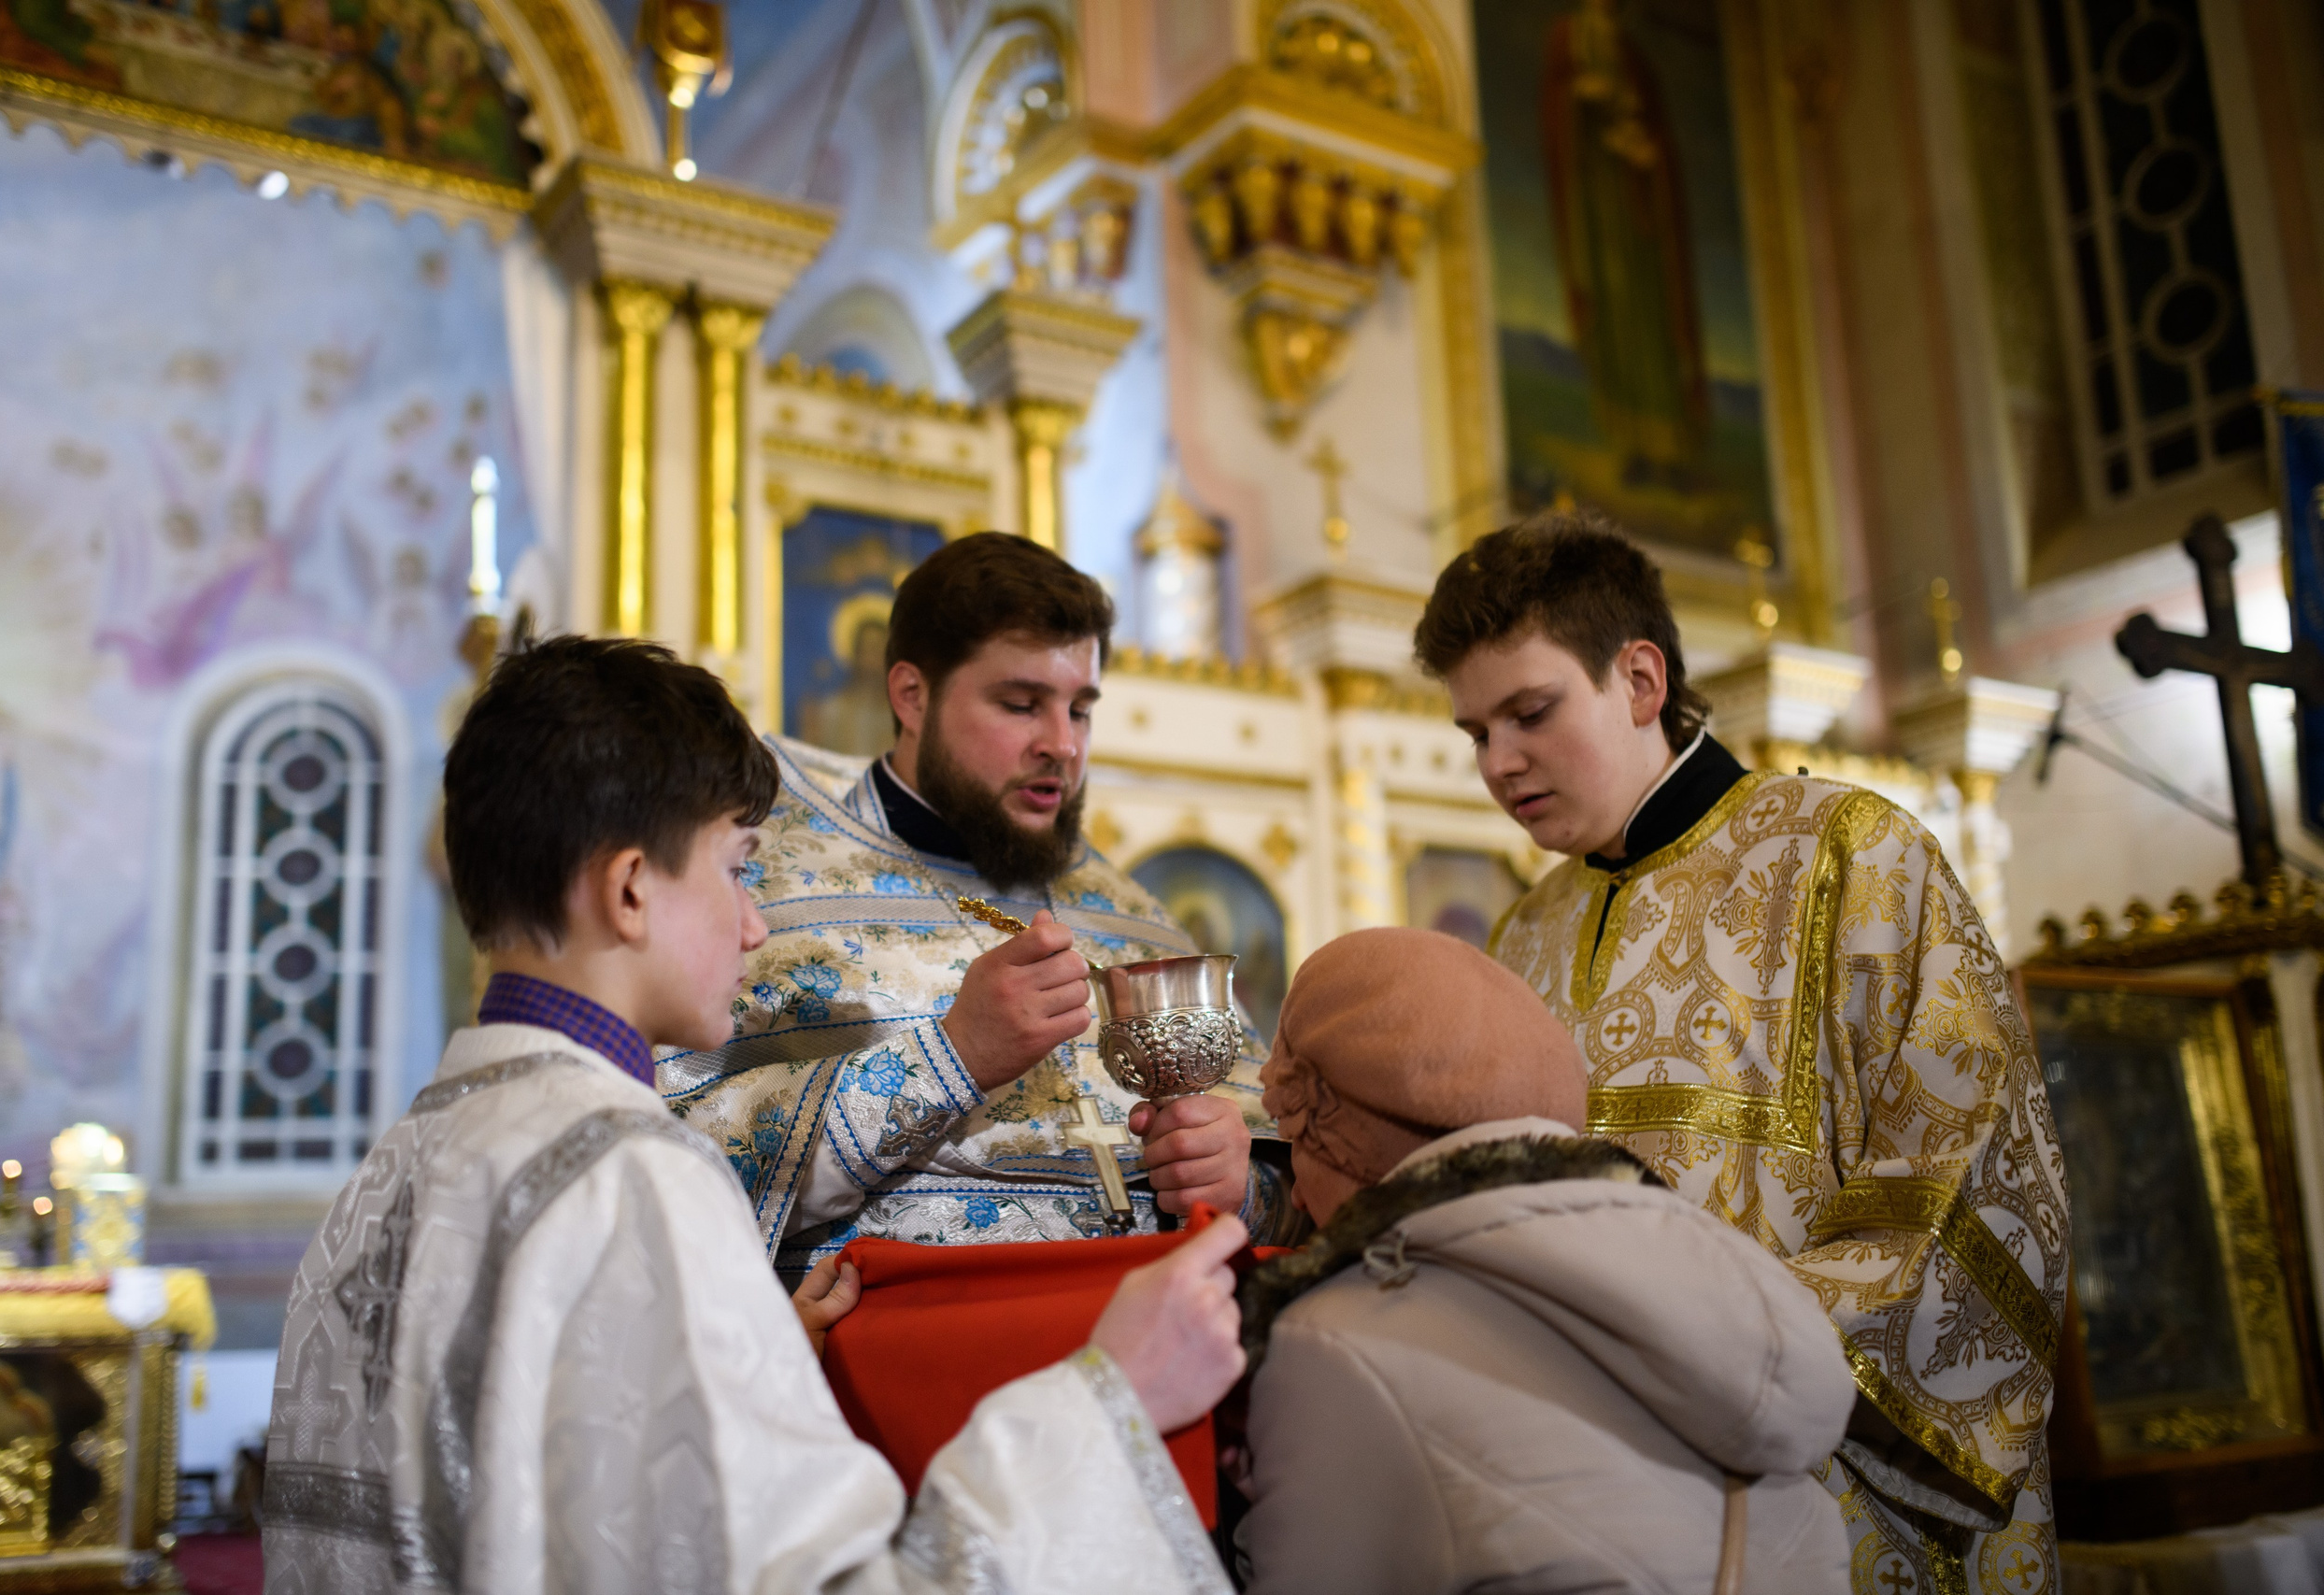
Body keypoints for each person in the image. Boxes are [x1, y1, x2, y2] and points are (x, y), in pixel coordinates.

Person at [261, 635, 1251, 1595]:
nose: (756, 922)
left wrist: (750, 1358)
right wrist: (1108, 1397)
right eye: (738, 868)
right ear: (632, 889)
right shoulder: (632, 1177)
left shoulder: (384, 1178)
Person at [1417, 517, 2071, 1594]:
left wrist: (1728, 1358)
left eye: (1528, 713)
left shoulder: (1852, 854)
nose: (1497, 764)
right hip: (1606, 1479)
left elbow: (1972, 1182)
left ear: (1638, 679)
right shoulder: (1525, 928)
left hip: (1830, 1477)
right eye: (1473, 732)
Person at [663, 534, 1303, 1278]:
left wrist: (1239, 1187)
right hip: (892, 1361)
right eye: (1021, 704)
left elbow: (1298, 1194)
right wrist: (953, 1055)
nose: (1062, 745)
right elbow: (681, 1161)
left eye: (1081, 710)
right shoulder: (771, 882)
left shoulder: (1130, 912)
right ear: (912, 695)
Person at [1235, 926, 1853, 1594]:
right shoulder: (1731, 1273)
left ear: (1341, 1134)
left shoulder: (1335, 1342)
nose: (1295, 1189)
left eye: (1292, 1137)